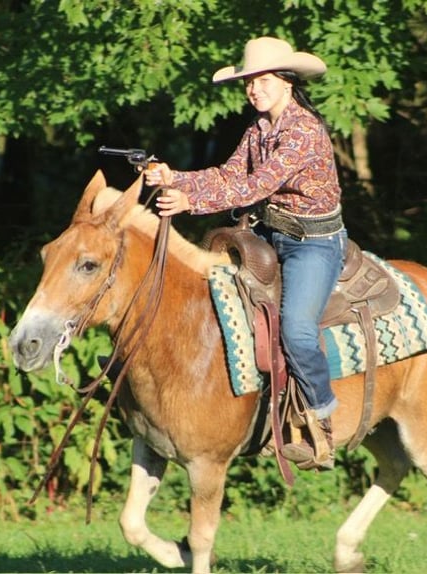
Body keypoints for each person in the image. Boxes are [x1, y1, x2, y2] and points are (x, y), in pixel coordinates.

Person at [146, 36, 347, 470]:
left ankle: (321, 422)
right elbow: (228, 174)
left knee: (295, 329)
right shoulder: (258, 131)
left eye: (261, 80)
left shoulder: (303, 132)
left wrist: (188, 202)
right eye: (248, 82)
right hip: (271, 237)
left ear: (286, 83)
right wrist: (175, 178)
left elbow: (255, 187)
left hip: (314, 244)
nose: (253, 89)